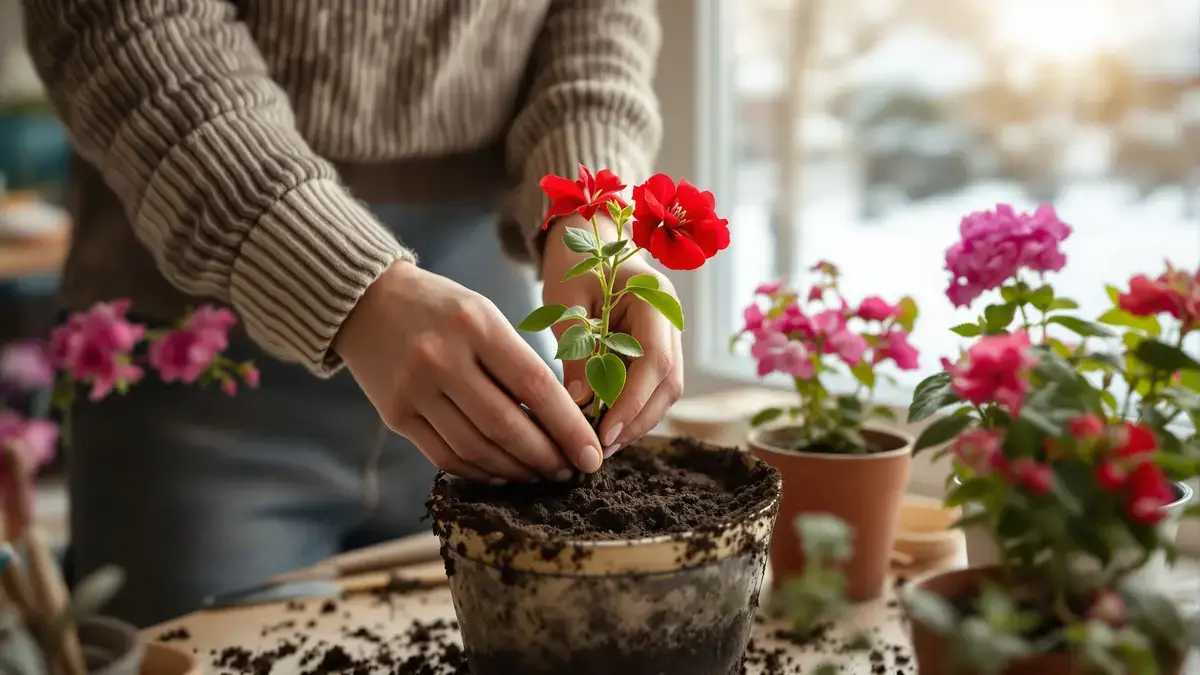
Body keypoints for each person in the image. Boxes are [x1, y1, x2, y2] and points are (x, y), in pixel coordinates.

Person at [21, 0, 680, 627]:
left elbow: (598, 16)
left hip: (479, 326)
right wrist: (347, 284)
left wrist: (591, 209)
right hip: (195, 327)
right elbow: (121, 27)